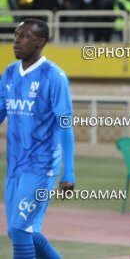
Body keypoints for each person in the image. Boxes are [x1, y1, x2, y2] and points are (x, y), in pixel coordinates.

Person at [0, 18, 75, 258]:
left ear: (40, 41)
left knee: (20, 230)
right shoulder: (9, 73)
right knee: (20, 231)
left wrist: (69, 172)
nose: (16, 42)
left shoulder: (54, 76)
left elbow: (65, 125)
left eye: (24, 36)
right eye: (16, 36)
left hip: (42, 166)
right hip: (15, 166)